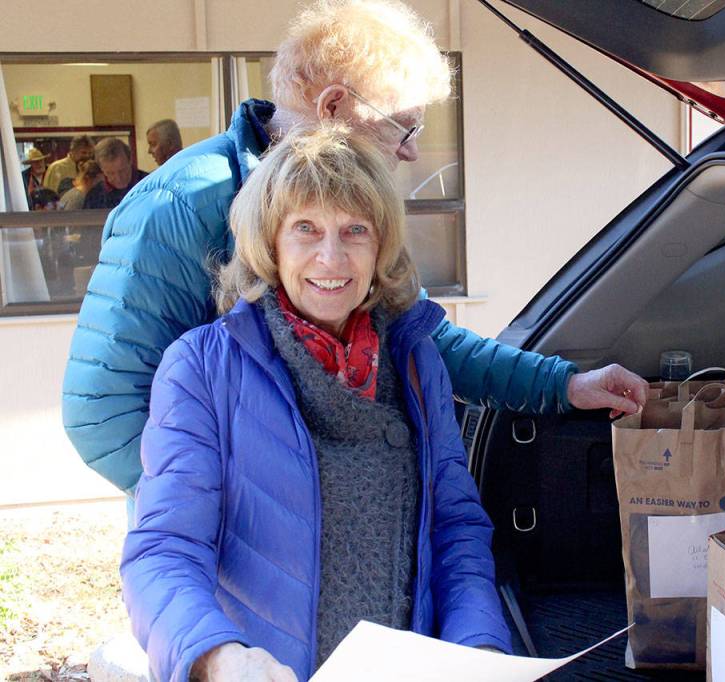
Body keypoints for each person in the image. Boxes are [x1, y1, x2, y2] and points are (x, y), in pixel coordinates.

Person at [63, 0, 648, 498]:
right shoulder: (182, 205)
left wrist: (563, 386)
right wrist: (229, 512)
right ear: (336, 107)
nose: (412, 152)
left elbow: (423, 337)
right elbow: (104, 415)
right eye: (404, 126)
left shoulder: (356, 204)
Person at [121, 125, 511, 682]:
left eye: (355, 230)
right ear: (270, 242)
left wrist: (479, 649)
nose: (332, 257)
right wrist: (217, 656)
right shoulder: (203, 367)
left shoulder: (415, 361)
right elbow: (164, 549)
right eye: (306, 228)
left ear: (381, 247)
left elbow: (456, 530)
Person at [82, 137, 147, 209]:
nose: (118, 178)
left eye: (122, 171)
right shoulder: (95, 197)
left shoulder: (151, 185)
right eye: (110, 173)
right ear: (101, 169)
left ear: (130, 160)